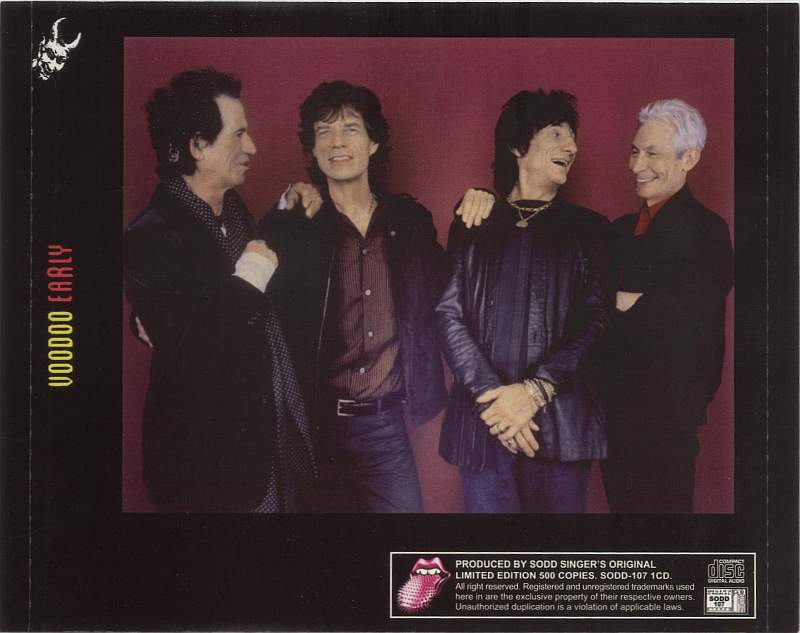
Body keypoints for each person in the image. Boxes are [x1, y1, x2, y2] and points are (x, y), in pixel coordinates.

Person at [124, 68, 315, 513]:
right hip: (212, 469)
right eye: (239, 134)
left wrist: (285, 210)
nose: (252, 148)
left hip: (267, 445)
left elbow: (233, 263)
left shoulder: (229, 207)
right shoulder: (150, 235)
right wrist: (250, 274)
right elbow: (200, 346)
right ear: (198, 145)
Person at [260, 80, 449, 513]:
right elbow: (246, 279)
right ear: (312, 149)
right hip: (316, 425)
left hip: (386, 427)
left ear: (374, 142)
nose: (337, 143)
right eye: (323, 132)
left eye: (350, 129)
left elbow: (454, 290)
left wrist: (483, 206)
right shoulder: (295, 225)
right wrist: (284, 203)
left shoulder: (408, 220)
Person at [436, 89, 609, 513]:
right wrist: (496, 400)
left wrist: (534, 392)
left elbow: (597, 320)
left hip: (561, 432)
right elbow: (448, 314)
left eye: (573, 138)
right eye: (556, 134)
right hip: (483, 429)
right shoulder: (473, 220)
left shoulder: (590, 229)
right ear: (517, 146)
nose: (571, 147)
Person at [601, 99, 733, 513]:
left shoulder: (708, 230)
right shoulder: (619, 231)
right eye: (634, 151)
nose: (637, 165)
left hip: (667, 426)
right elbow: (595, 310)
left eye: (652, 153)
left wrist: (625, 307)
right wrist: (628, 304)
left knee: (665, 538)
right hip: (613, 421)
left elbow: (684, 327)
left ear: (688, 159)